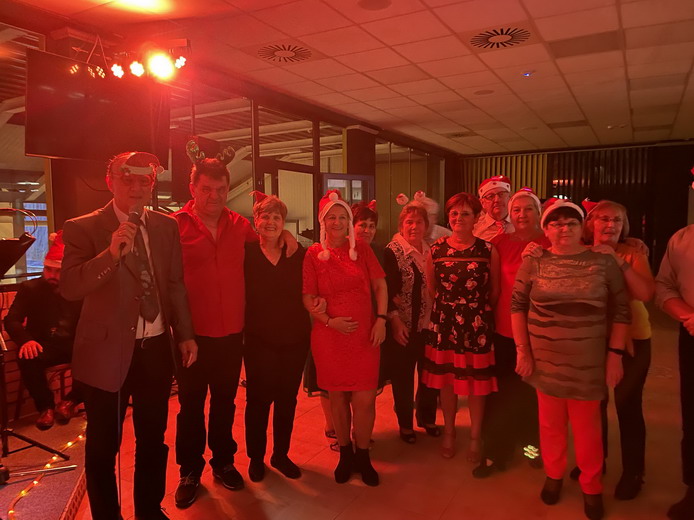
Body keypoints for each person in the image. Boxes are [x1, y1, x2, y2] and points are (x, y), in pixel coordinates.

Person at [61, 151, 198, 520]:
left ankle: (149, 510)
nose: (136, 188)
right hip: (105, 352)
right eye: (128, 179)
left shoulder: (166, 226)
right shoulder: (83, 227)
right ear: (110, 182)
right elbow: (70, 286)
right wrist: (110, 254)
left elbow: (175, 284)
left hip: (155, 348)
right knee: (103, 446)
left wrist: (185, 334)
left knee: (152, 438)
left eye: (144, 181)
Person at [172, 142, 298, 507]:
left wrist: (287, 234)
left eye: (220, 189)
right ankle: (189, 470)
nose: (214, 195)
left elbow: (269, 240)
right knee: (191, 406)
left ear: (228, 189)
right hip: (191, 337)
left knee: (225, 403)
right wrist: (181, 332)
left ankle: (223, 462)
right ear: (193, 188)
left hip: (230, 335)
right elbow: (168, 282)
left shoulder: (241, 226)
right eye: (206, 189)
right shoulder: (174, 226)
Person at [511, 199, 631, 520]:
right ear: (546, 230)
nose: (563, 229)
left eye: (571, 223)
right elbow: (517, 305)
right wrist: (523, 350)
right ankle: (553, 475)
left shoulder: (602, 261)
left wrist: (615, 355)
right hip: (545, 360)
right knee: (550, 426)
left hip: (587, 363)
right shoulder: (534, 261)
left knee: (588, 430)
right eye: (556, 223)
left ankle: (592, 486)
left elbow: (622, 311)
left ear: (582, 227)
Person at [302, 190, 387, 486]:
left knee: (365, 400)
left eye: (342, 217)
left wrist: (381, 319)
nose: (337, 222)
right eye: (331, 217)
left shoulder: (361, 248)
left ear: (349, 221)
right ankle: (345, 454)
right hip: (329, 338)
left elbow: (380, 286)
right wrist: (328, 320)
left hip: (364, 337)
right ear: (322, 221)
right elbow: (308, 297)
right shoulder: (313, 254)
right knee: (337, 398)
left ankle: (363, 455)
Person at [474, 188, 549, 477]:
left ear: (538, 213)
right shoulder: (499, 243)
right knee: (502, 394)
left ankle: (532, 448)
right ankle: (497, 451)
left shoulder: (550, 241)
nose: (521, 214)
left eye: (528, 209)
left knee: (532, 395)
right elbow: (490, 285)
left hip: (539, 333)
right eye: (516, 209)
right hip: (504, 331)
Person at [584, 200, 655, 500]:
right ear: (591, 223)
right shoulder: (581, 251)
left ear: (624, 225)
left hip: (633, 339)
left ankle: (634, 472)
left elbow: (645, 293)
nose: (610, 224)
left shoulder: (633, 252)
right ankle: (596, 462)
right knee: (594, 405)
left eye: (616, 220)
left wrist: (617, 258)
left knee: (628, 406)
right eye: (603, 218)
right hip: (593, 339)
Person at [421, 192, 499, 462]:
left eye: (465, 213)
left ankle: (476, 437)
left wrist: (474, 310)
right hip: (445, 322)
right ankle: (450, 432)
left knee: (477, 384)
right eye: (454, 213)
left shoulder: (488, 250)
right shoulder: (436, 250)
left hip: (476, 323)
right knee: (448, 382)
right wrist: (450, 308)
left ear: (476, 218)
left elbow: (495, 291)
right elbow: (432, 288)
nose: (458, 218)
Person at [243, 192, 311, 483]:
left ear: (284, 222)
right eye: (265, 216)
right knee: (258, 401)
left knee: (287, 400)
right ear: (255, 221)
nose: (271, 222)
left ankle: (280, 454)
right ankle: (256, 458)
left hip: (295, 339)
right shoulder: (245, 253)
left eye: (277, 217)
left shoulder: (297, 253)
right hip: (258, 340)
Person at [4, 231, 82, 430]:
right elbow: (11, 319)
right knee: (27, 357)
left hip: (72, 344)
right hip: (41, 344)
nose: (52, 276)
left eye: (57, 271)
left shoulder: (77, 290)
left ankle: (71, 401)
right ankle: (45, 407)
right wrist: (25, 340)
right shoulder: (30, 288)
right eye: (48, 270)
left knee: (97, 357)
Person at [382, 199, 439, 443]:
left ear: (426, 225)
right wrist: (395, 320)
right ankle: (405, 424)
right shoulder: (392, 252)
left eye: (419, 222)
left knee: (429, 376)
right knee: (403, 377)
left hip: (429, 326)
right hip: (403, 327)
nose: (414, 226)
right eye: (409, 222)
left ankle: (427, 418)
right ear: (401, 225)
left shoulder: (432, 250)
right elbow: (386, 291)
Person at [656, 220, 694, 520]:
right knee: (692, 415)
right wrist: (688, 316)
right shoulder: (682, 239)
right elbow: (663, 285)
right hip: (692, 332)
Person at [473, 176, 513, 241]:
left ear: (510, 197)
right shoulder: (474, 227)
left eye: (501, 194)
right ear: (482, 203)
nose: (497, 200)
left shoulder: (521, 223)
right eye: (490, 196)